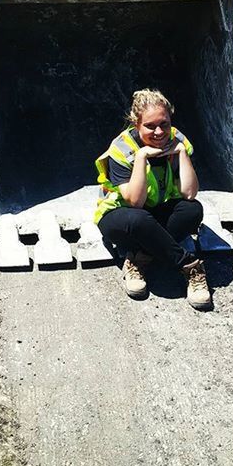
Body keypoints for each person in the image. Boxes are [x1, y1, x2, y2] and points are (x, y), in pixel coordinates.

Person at [94, 89, 212, 310]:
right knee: (139, 220)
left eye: (164, 124)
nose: (159, 132)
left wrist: (182, 154)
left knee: (193, 210)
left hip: (154, 214)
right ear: (136, 124)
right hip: (120, 217)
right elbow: (135, 202)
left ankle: (138, 258)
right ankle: (189, 265)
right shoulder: (122, 149)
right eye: (150, 126)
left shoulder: (177, 140)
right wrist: (141, 157)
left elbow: (189, 193)